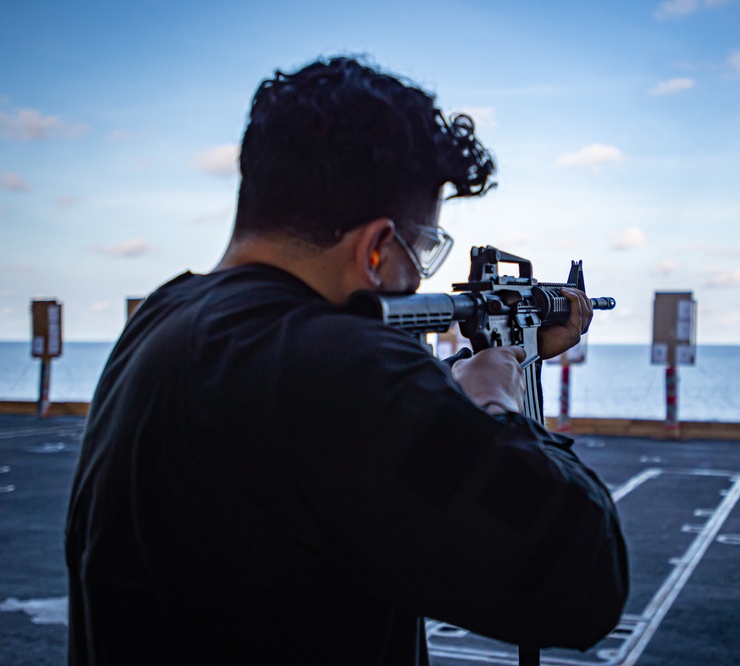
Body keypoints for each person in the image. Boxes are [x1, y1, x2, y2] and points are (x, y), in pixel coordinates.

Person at [65, 56, 628, 665]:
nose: (419, 275)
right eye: (425, 250)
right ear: (378, 249)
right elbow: (586, 578)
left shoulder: (164, 319)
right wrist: (494, 396)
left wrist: (473, 372)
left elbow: (320, 449)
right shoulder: (333, 368)